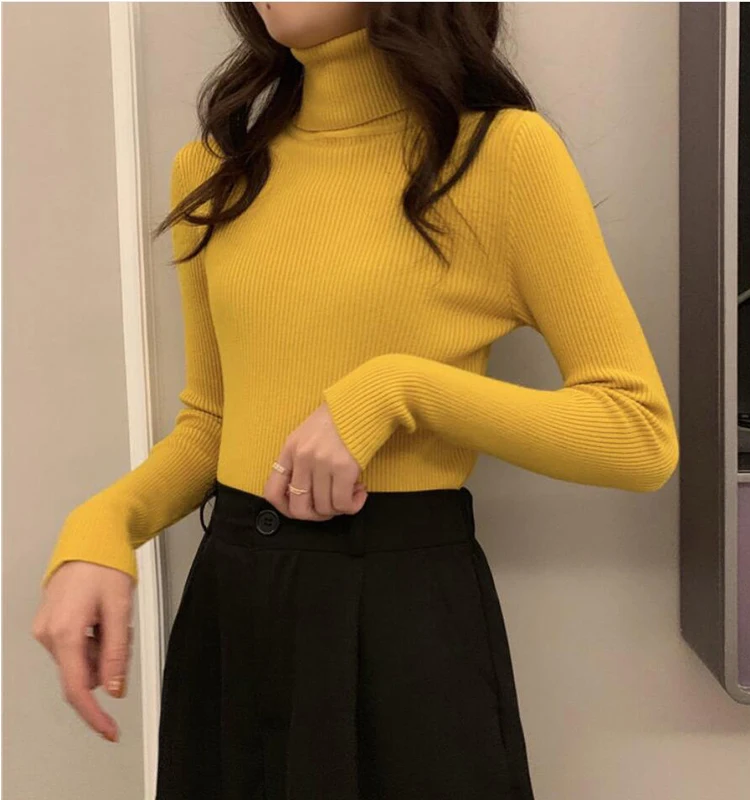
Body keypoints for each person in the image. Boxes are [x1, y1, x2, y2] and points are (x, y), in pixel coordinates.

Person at [32, 3, 680, 798]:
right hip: (233, 611)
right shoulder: (215, 169)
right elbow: (213, 423)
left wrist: (401, 389)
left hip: (402, 623)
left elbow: (637, 433)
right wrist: (100, 528)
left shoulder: (501, 154)